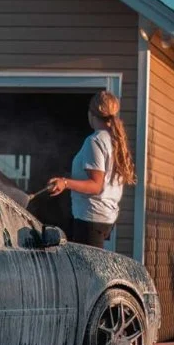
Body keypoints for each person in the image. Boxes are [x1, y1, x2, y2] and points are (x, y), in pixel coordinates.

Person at [48, 91, 136, 248]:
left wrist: (65, 183)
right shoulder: (114, 141)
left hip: (91, 219)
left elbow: (96, 185)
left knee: (87, 271)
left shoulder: (95, 141)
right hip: (105, 218)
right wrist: (71, 177)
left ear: (91, 114)